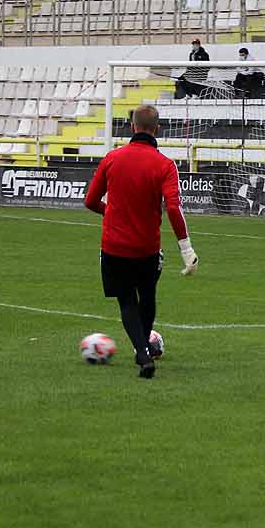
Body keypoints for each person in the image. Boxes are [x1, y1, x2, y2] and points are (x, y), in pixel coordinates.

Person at [84, 104, 197, 380]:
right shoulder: (165, 165)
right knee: (147, 297)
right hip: (147, 248)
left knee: (126, 301)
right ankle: (143, 349)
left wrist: (109, 212)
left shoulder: (112, 158)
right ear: (157, 129)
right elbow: (173, 208)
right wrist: (186, 248)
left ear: (132, 127)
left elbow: (90, 201)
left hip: (114, 247)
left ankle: (143, 354)